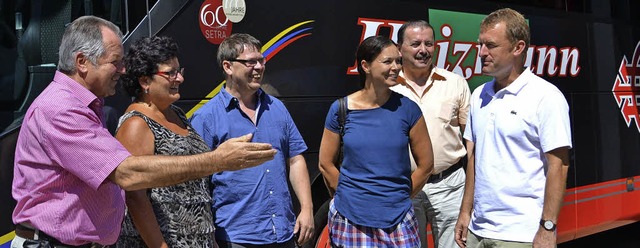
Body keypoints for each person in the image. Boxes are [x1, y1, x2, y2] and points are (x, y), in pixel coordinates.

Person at [11, 16, 276, 248]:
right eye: (115, 62)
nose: (123, 70)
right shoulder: (61, 109)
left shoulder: (86, 105)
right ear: (82, 62)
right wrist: (218, 160)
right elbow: (128, 174)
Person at [454, 8, 571, 248]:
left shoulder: (546, 96)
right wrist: (465, 212)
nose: (481, 53)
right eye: (480, 44)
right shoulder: (479, 95)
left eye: (491, 45)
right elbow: (475, 158)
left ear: (518, 48)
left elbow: (558, 166)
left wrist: (547, 228)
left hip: (520, 234)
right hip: (478, 230)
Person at [190, 33, 314, 248]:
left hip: (283, 234)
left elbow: (295, 159)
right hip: (235, 238)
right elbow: (196, 182)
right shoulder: (206, 118)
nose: (259, 67)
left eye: (261, 60)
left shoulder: (277, 107)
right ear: (228, 67)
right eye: (250, 62)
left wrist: (307, 209)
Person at [318, 35, 434, 247]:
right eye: (387, 61)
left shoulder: (408, 109)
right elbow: (325, 163)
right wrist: (347, 196)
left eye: (398, 61)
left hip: (398, 221)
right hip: (350, 219)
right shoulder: (341, 109)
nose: (396, 67)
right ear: (366, 66)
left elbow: (426, 166)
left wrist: (400, 198)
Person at [113, 36, 216, 247]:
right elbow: (135, 197)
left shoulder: (176, 113)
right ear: (144, 81)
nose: (179, 79)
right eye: (170, 73)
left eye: (179, 71)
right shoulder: (136, 124)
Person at [390, 20, 471, 248]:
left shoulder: (455, 83)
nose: (423, 50)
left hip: (451, 186)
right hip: (405, 187)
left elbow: (472, 140)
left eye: (429, 44)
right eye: (415, 44)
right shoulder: (387, 88)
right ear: (399, 48)